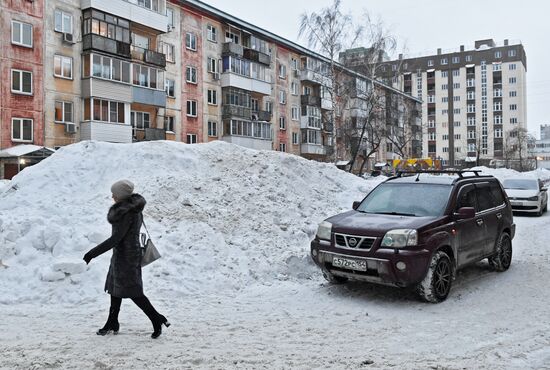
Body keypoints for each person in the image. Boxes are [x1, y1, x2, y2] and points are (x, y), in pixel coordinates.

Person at [83, 180, 170, 339]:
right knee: (114, 289)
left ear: (121, 196)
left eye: (114, 194)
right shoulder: (132, 209)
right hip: (123, 255)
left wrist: (91, 254)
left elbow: (115, 239)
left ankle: (156, 319)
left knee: (134, 292)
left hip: (127, 258)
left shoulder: (125, 213)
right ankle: (112, 322)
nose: (112, 196)